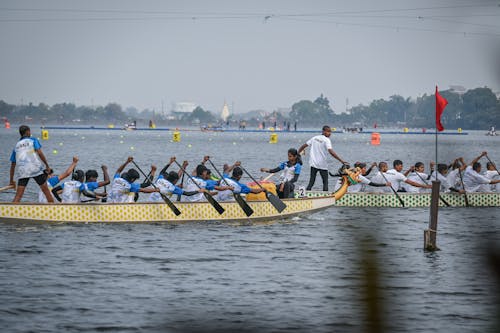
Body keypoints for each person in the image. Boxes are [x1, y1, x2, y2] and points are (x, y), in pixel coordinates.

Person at [9, 125, 53, 202]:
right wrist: (47, 165)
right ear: (28, 132)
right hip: (35, 169)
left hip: (23, 171)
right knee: (46, 191)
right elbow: (40, 153)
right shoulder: (33, 140)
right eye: (30, 131)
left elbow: (13, 165)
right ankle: (53, 208)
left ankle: (11, 209)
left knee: (18, 195)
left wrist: (11, 180)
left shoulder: (16, 146)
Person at [297, 125, 347, 191]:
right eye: (328, 131)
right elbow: (331, 152)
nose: (330, 133)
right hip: (322, 164)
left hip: (313, 163)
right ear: (323, 131)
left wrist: (298, 153)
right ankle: (326, 197)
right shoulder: (326, 140)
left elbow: (304, 145)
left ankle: (307, 193)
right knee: (325, 182)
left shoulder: (315, 138)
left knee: (311, 182)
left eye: (330, 132)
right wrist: (341, 160)